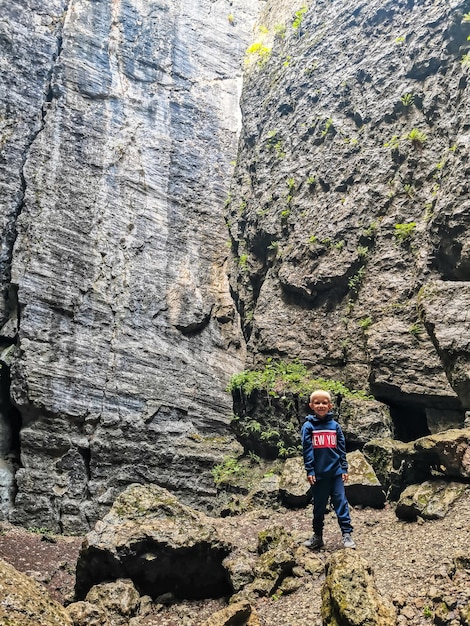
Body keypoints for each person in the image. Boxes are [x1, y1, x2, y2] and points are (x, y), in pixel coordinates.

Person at [301, 389, 355, 549]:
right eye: (317, 403)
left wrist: (344, 468)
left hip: (336, 474)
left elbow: (341, 448)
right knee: (319, 506)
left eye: (324, 403)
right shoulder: (308, 426)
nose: (321, 405)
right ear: (311, 405)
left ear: (330, 405)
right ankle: (317, 536)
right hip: (318, 476)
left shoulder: (335, 426)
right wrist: (310, 471)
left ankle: (346, 534)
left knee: (341, 503)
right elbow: (307, 450)